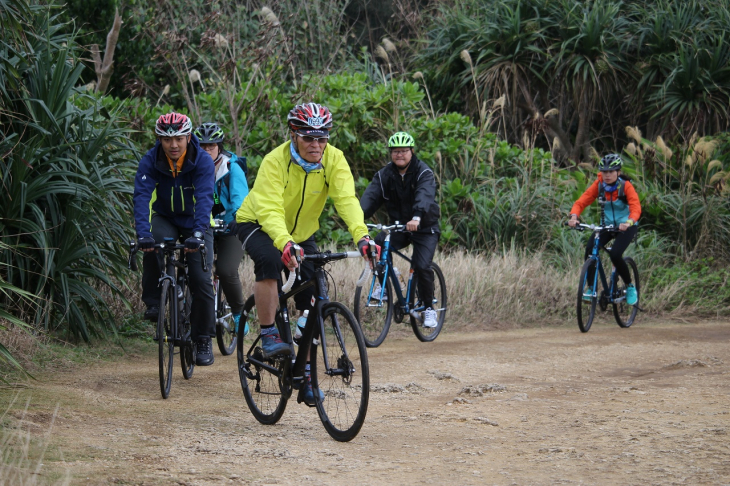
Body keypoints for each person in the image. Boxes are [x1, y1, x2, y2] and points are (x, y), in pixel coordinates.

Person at [235, 102, 375, 404]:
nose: (316, 144)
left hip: (301, 233)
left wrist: (362, 237)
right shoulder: (276, 161)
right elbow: (270, 209)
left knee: (314, 293)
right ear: (294, 135)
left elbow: (347, 200)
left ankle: (306, 374)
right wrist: (284, 243)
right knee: (270, 261)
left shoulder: (334, 159)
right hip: (257, 223)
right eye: (309, 137)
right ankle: (270, 331)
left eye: (322, 137)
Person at [133, 112, 217, 366]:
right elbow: (141, 197)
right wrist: (142, 233)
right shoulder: (151, 160)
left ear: (188, 137)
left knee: (201, 278)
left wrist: (199, 234)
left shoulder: (201, 160)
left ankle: (203, 336)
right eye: (167, 139)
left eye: (179, 138)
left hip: (196, 221)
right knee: (152, 245)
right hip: (166, 218)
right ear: (159, 139)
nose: (173, 145)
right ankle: (153, 302)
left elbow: (204, 198)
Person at [360, 131, 441, 328]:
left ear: (411, 152)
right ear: (391, 153)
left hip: (424, 227)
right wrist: (357, 218)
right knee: (377, 244)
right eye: (395, 151)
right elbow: (370, 197)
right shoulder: (384, 175)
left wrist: (417, 216)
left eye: (404, 151)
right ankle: (388, 281)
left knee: (421, 266)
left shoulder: (424, 172)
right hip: (399, 227)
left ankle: (429, 308)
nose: (399, 155)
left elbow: (424, 194)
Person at [194, 122, 249, 334]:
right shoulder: (192, 167)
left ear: (220, 147)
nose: (207, 150)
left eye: (211, 146)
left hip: (229, 229)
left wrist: (236, 219)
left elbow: (240, 199)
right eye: (203, 146)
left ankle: (238, 314)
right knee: (197, 270)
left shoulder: (232, 168)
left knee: (226, 270)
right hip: (202, 226)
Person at [568, 153, 641, 305]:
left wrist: (628, 222)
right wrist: (574, 216)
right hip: (606, 226)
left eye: (611, 172)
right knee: (590, 249)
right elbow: (581, 202)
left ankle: (630, 286)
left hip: (627, 226)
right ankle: (590, 288)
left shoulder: (626, 186)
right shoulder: (599, 185)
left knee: (615, 254)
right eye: (604, 172)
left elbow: (636, 207)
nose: (607, 175)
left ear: (618, 172)